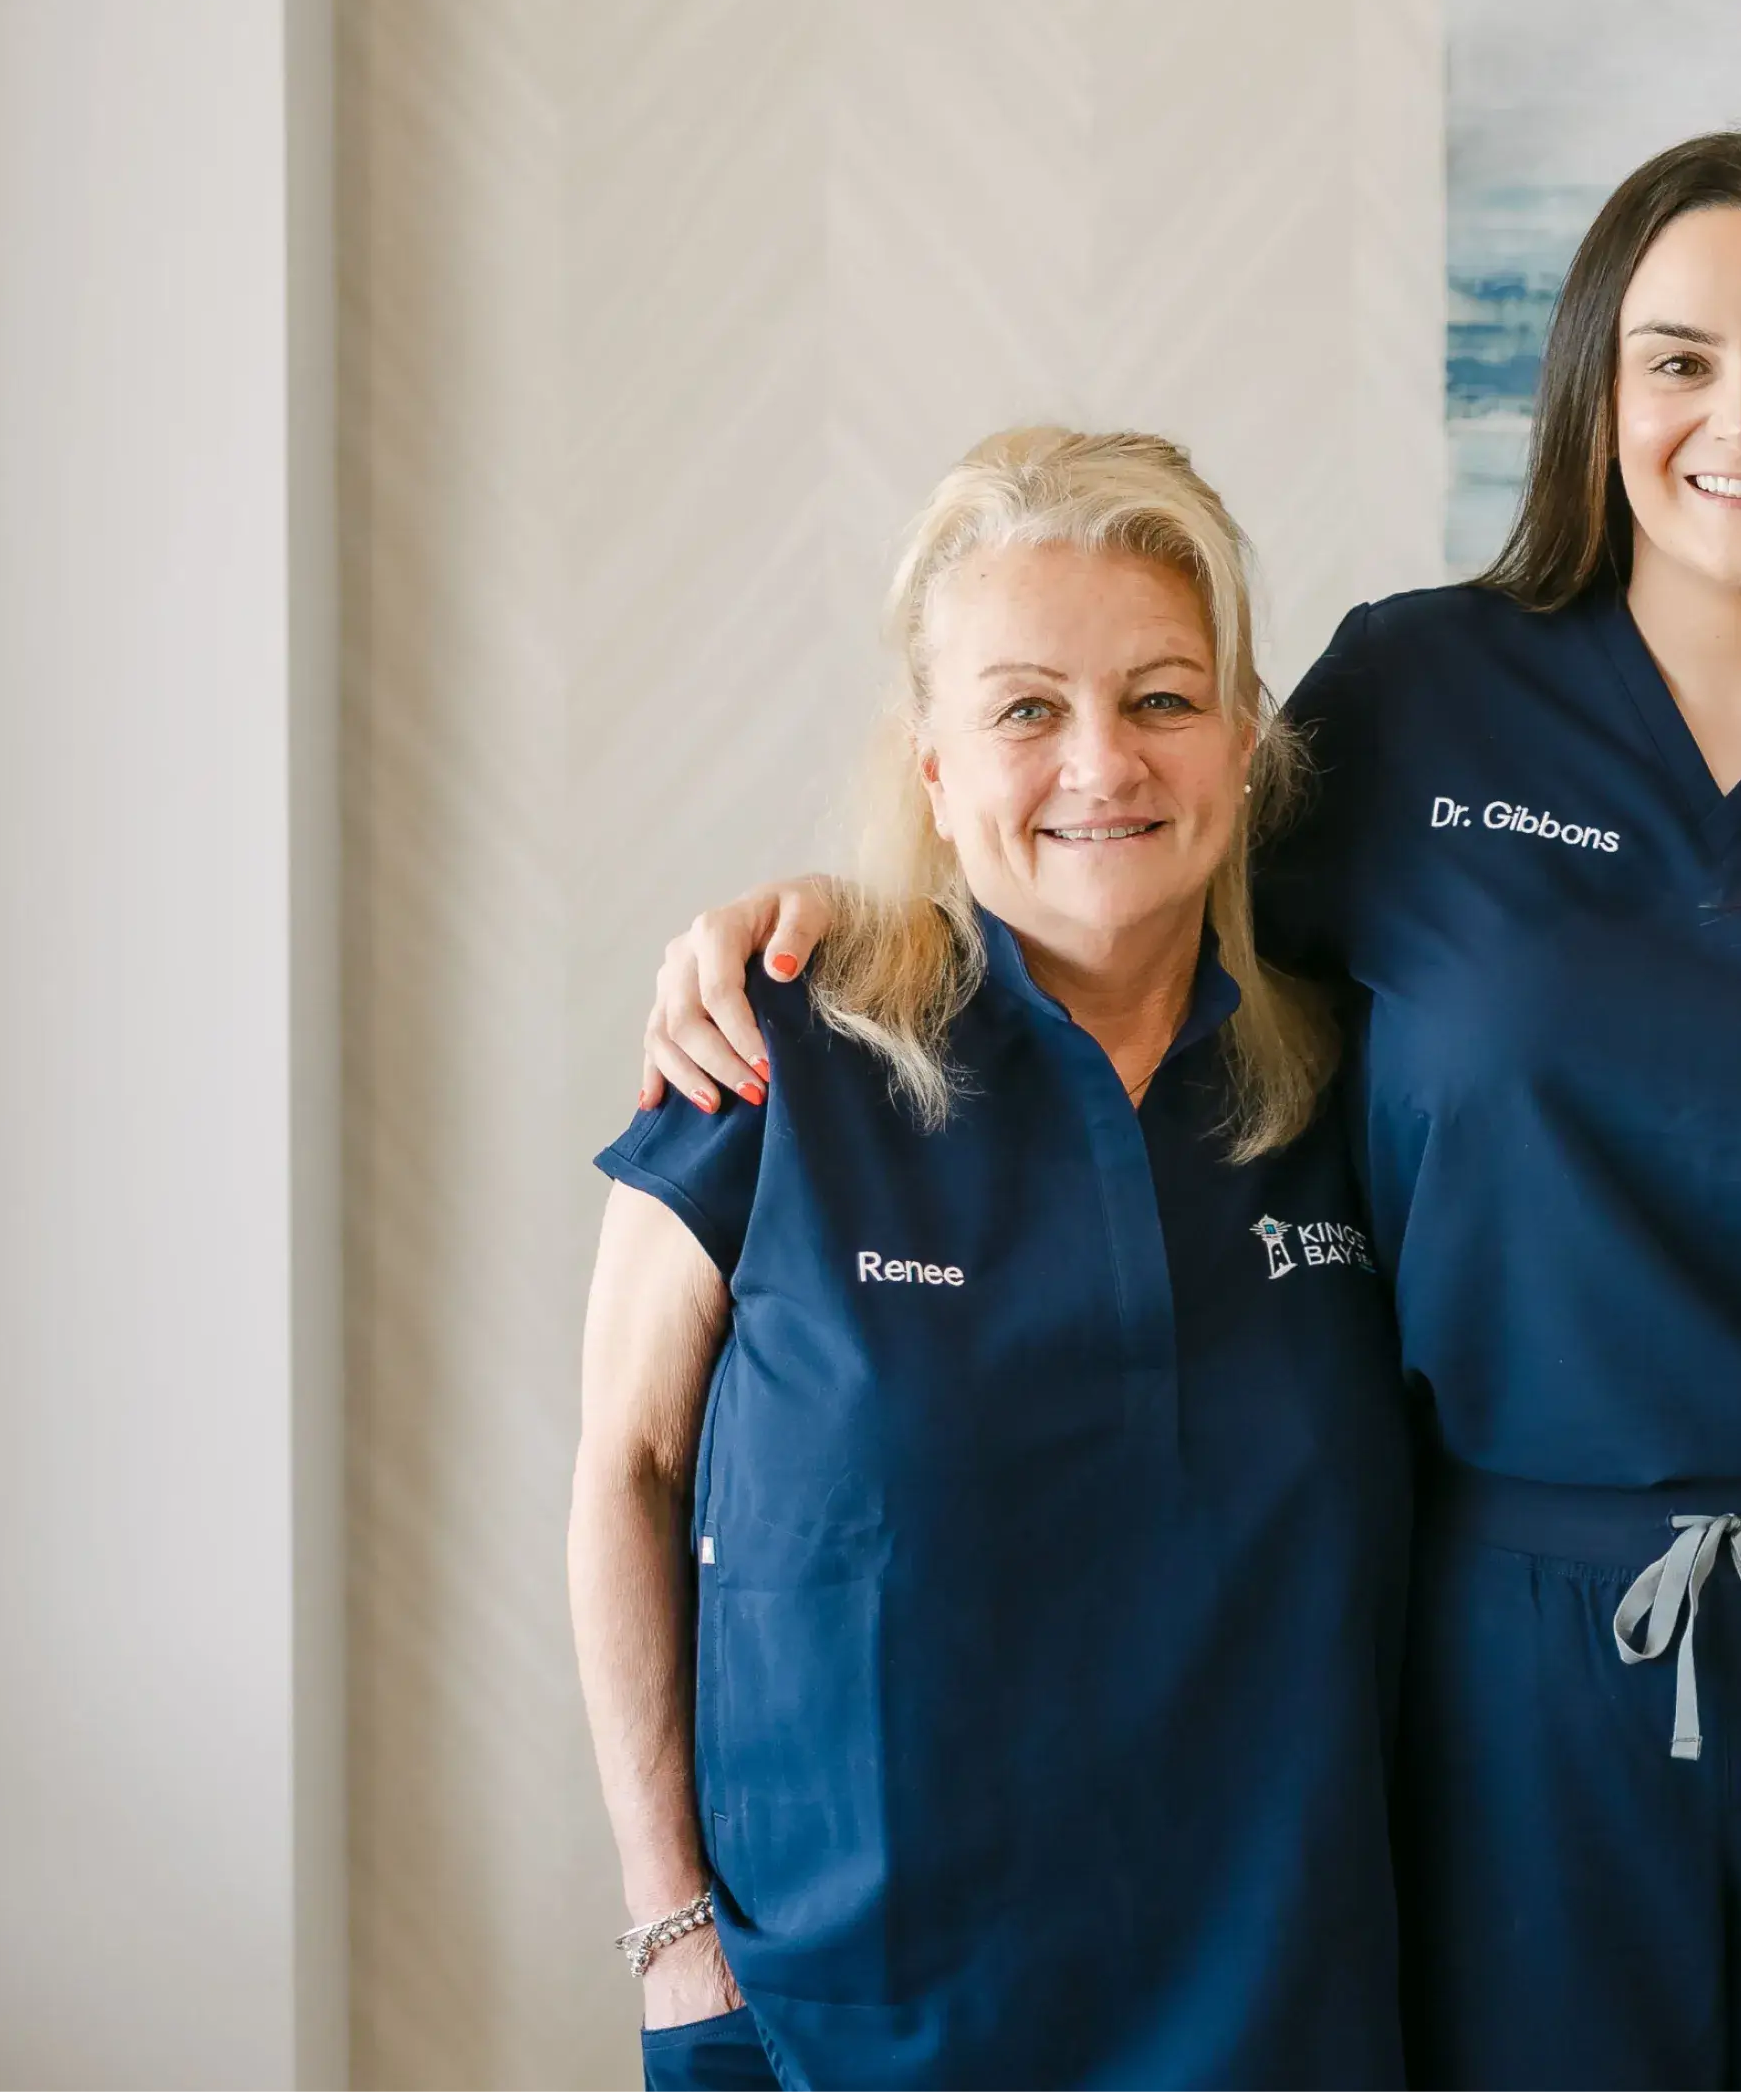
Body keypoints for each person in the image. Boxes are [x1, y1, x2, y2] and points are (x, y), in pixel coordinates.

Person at [636, 130, 1741, 2092]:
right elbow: (1137, 892)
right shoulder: (1421, 697)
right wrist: (847, 910)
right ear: (1593, 389)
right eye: (1674, 356)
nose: (1738, 413)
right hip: (1512, 1655)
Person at [567, 428, 1415, 2091]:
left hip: (1282, 2023)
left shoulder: (1365, 1082)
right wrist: (671, 1936)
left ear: (1243, 743)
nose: (1101, 762)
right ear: (936, 769)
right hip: (840, 2029)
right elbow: (626, 1469)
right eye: (1026, 708)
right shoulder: (772, 1047)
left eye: (1163, 697)